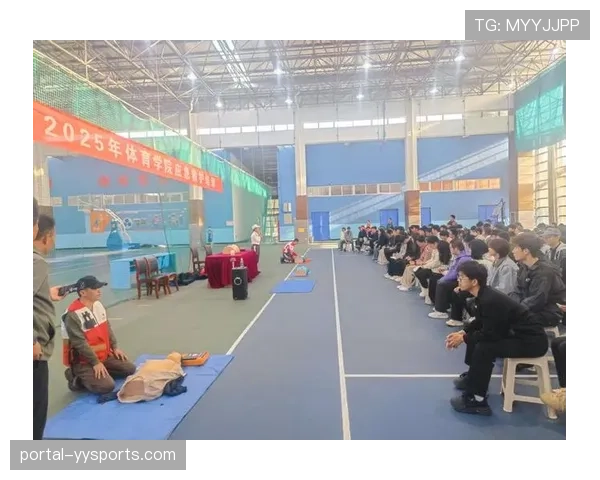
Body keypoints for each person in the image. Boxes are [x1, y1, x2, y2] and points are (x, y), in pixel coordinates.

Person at [445, 261, 549, 415]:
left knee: (484, 348)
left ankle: (478, 400)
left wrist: (464, 338)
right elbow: (481, 321)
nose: (458, 280)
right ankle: (472, 379)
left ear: (474, 281)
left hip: (531, 342)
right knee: (477, 339)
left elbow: (491, 334)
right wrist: (463, 332)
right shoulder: (482, 295)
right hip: (516, 335)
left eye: (461, 277)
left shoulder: (490, 300)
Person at [62, 276, 136, 394]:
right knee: (107, 386)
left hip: (104, 356)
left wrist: (115, 347)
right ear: (83, 293)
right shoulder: (72, 314)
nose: (99, 291)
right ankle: (76, 377)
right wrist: (95, 363)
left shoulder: (98, 305)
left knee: (130, 369)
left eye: (99, 287)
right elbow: (79, 343)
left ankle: (100, 372)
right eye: (95, 288)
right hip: (84, 361)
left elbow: (107, 327)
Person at [32, 207, 64, 440]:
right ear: (45, 235)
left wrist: (46, 293)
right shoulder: (36, 262)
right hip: (34, 355)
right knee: (34, 417)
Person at [510, 233, 566, 327]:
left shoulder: (544, 271)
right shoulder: (524, 267)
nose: (513, 251)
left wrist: (516, 310)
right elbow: (517, 291)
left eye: (516, 248)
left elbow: (537, 300)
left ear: (526, 251)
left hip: (546, 313)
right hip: (529, 309)